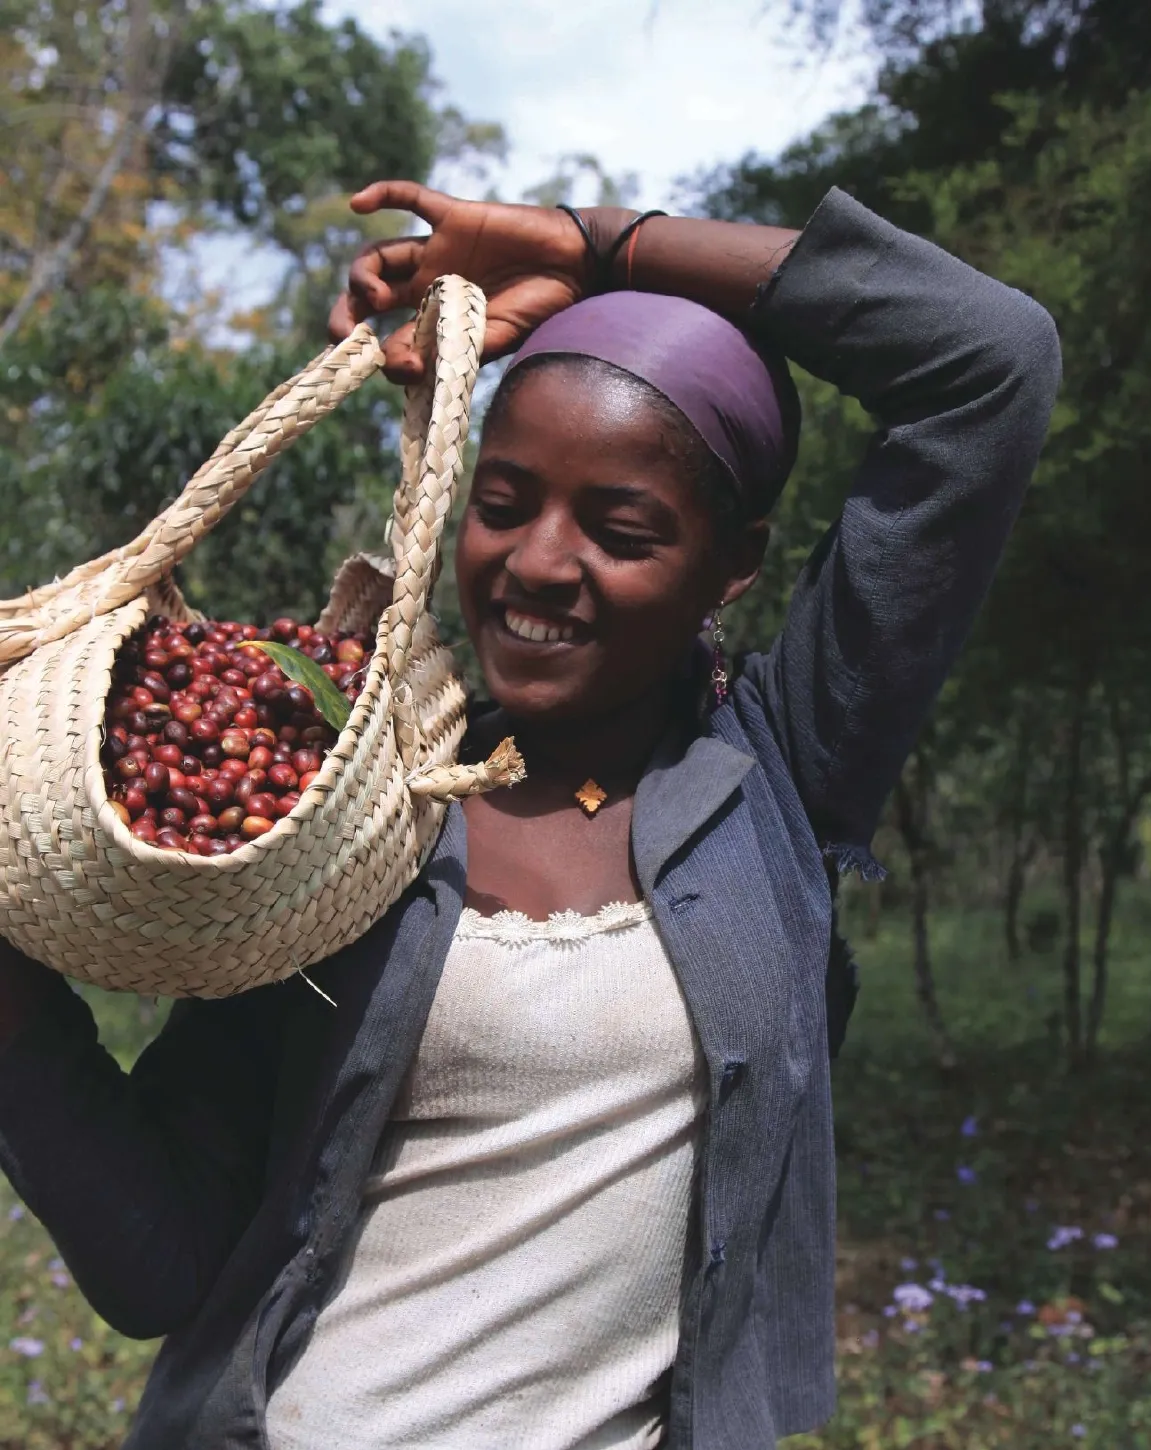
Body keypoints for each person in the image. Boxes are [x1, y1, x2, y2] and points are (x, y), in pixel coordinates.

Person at [0, 178, 1060, 1450]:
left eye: (621, 529)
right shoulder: (357, 813)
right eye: (501, 505)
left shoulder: (779, 770)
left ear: (733, 565)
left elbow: (989, 363)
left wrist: (594, 246)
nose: (538, 563)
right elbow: (160, 1264)